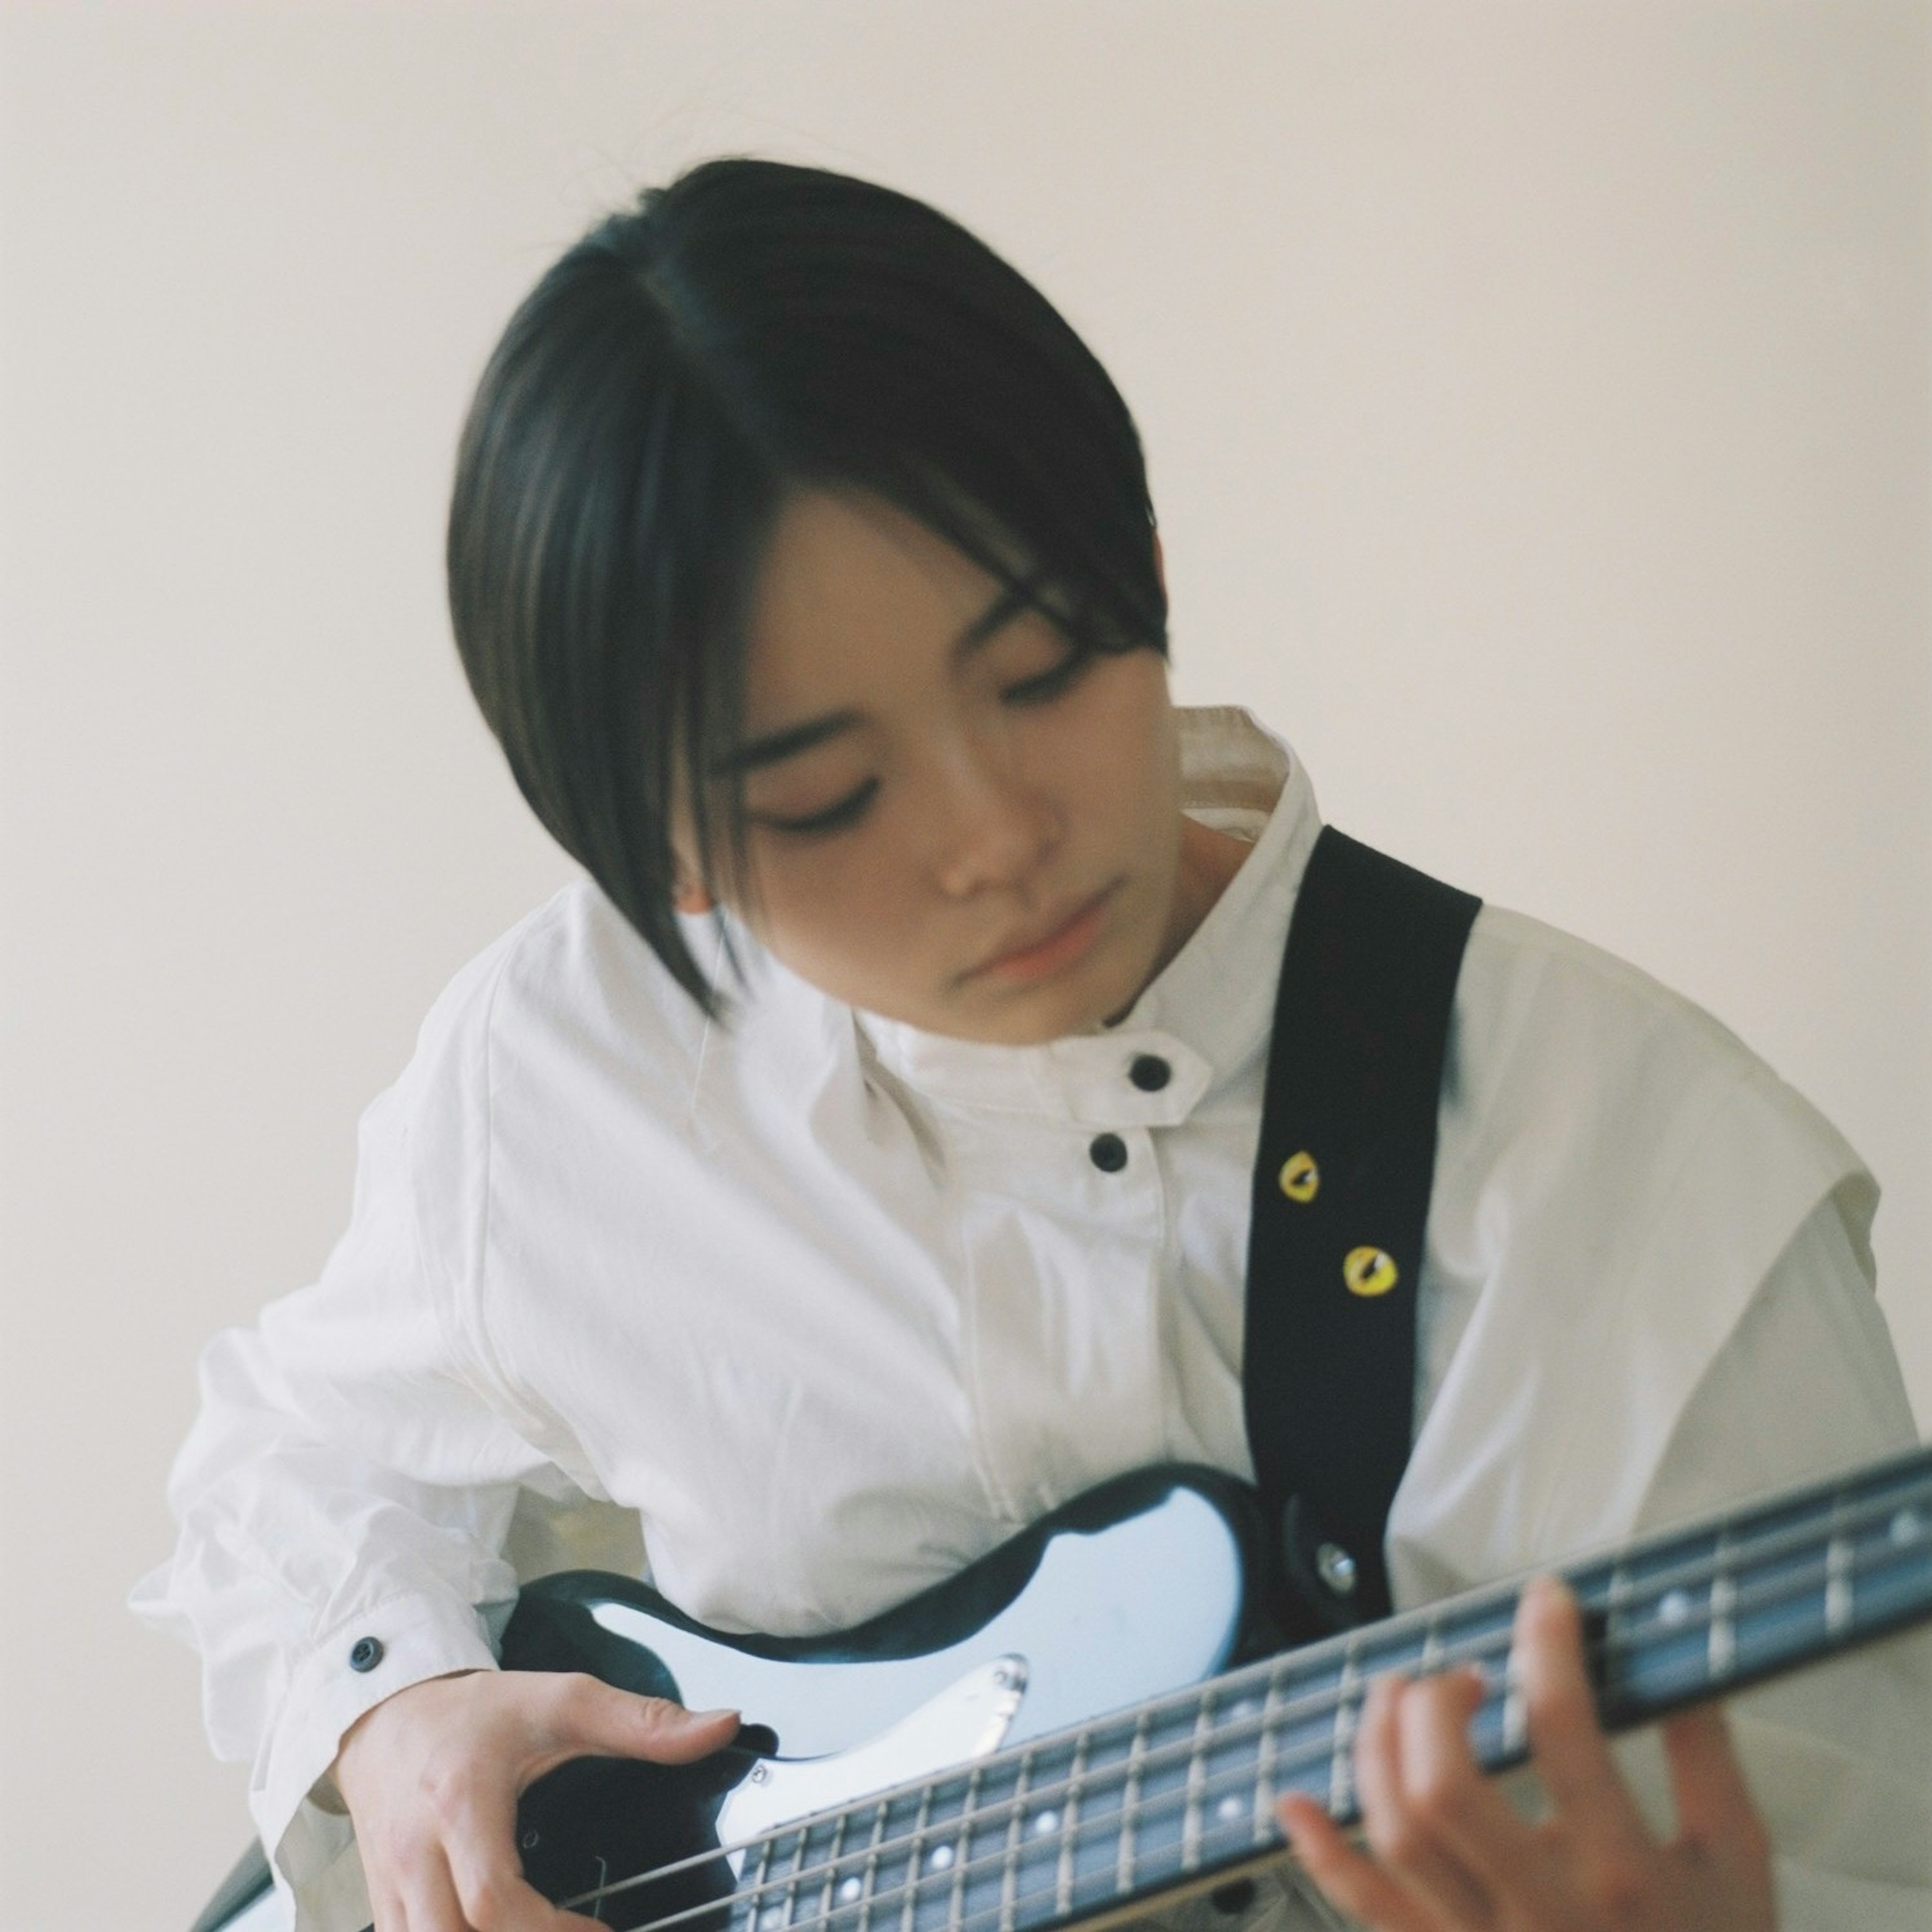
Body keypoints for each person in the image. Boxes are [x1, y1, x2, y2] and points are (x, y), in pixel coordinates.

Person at [132, 158, 1931, 1932]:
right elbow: (296, 1448)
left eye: (1047, 665)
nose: (996, 834)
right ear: (663, 856)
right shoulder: (562, 1072)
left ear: (1143, 563)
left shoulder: (1645, 1171)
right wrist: (389, 1711)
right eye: (831, 794)